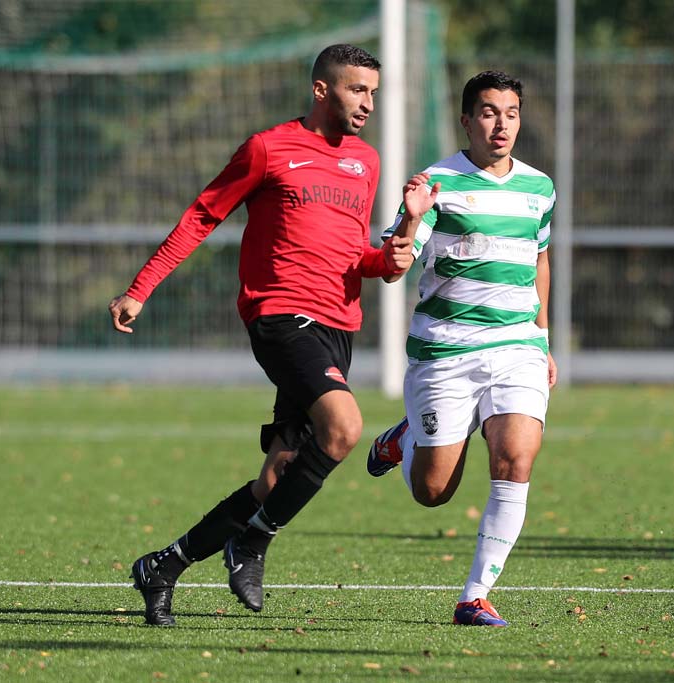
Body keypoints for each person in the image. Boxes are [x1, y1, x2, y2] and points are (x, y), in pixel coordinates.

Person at [109, 44, 414, 626]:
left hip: (338, 325)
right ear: (323, 90)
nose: (368, 103)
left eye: (374, 92)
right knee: (345, 427)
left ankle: (164, 566)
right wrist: (141, 287)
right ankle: (252, 543)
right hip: (279, 315)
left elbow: (358, 258)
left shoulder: (365, 162)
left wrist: (390, 259)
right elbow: (203, 214)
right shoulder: (269, 148)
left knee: (278, 473)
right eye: (357, 90)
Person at [366, 70, 557, 626]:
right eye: (491, 112)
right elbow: (396, 264)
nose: (502, 124)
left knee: (515, 457)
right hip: (444, 351)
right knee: (433, 492)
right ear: (467, 120)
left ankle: (474, 594)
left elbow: (539, 261)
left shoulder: (539, 187)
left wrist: (542, 338)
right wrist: (412, 215)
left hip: (516, 344)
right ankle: (404, 436)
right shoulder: (436, 183)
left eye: (512, 113)